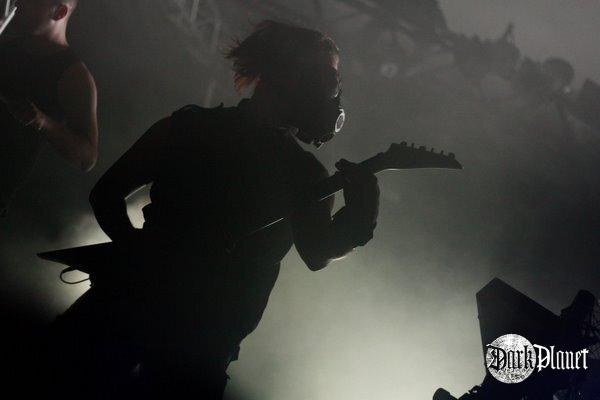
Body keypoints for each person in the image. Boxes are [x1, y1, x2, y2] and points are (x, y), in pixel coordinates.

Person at [48, 20, 379, 399]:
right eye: (327, 80)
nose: (331, 93)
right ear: (291, 77)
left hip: (127, 313)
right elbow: (319, 253)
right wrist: (363, 212)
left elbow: (106, 194)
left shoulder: (190, 127)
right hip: (196, 346)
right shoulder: (302, 172)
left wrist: (136, 257)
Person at [0, 0, 98, 217]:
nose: (20, 3)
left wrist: (43, 122)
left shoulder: (74, 77)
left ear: (60, 12)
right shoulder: (6, 44)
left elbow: (87, 158)